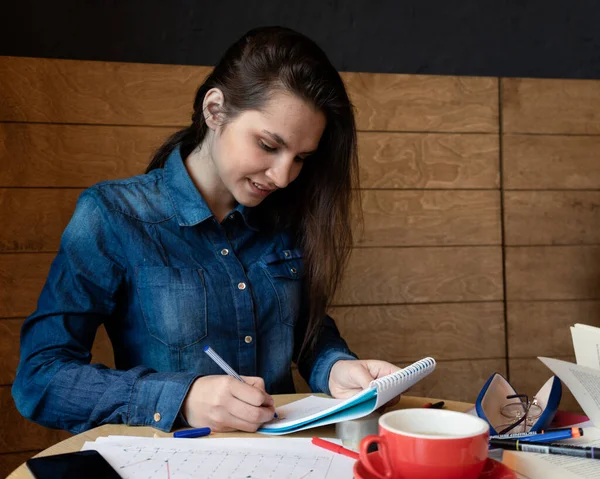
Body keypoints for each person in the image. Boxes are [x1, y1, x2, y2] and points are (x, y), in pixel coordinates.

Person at [12, 26, 401, 434]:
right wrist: (183, 398)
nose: (283, 176)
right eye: (268, 146)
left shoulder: (284, 216)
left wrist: (335, 366)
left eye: (301, 158)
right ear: (214, 110)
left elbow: (308, 331)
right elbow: (40, 379)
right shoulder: (112, 215)